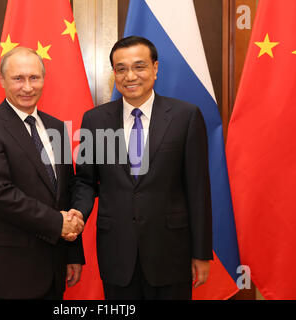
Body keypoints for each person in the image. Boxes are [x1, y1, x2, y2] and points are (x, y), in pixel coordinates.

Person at [72, 36, 213, 299]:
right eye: (121, 69)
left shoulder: (186, 116)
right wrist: (77, 215)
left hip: (171, 252)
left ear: (155, 68)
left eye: (139, 66)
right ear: (114, 73)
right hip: (116, 252)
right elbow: (85, 181)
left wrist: (201, 253)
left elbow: (198, 189)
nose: (130, 76)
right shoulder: (95, 120)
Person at [0, 47, 85, 300]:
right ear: (1, 80)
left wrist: (72, 252)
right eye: (18, 78)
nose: (27, 87)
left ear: (44, 79)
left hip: (53, 270)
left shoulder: (56, 127)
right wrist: (58, 224)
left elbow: (65, 191)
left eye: (34, 78)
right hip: (8, 274)